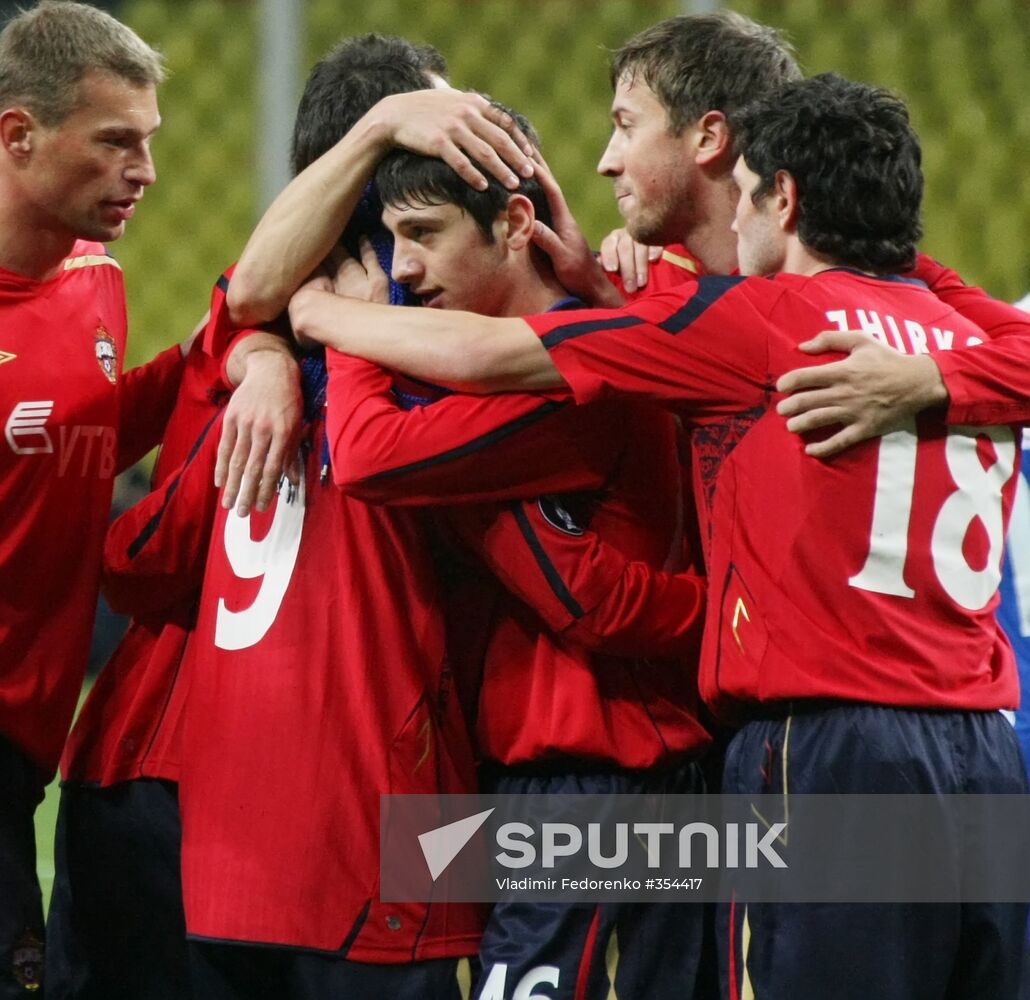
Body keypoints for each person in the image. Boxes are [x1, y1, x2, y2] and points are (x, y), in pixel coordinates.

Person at [288, 72, 1028, 999]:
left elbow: (459, 386)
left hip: (819, 747)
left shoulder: (751, 322)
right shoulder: (964, 332)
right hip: (986, 751)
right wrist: (939, 385)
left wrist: (322, 320)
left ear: (783, 198)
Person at [314, 128, 714, 999]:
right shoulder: (501, 355)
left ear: (513, 222)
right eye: (392, 241)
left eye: (424, 233)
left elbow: (372, 456)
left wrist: (336, 326)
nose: (404, 269)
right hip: (523, 774)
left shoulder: (577, 370)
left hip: (600, 777)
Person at [0, 3, 184, 995]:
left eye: (147, 142)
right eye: (116, 141)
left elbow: (82, 434)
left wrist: (239, 349)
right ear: (18, 136)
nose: (144, 172)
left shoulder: (93, 277)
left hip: (30, 737)